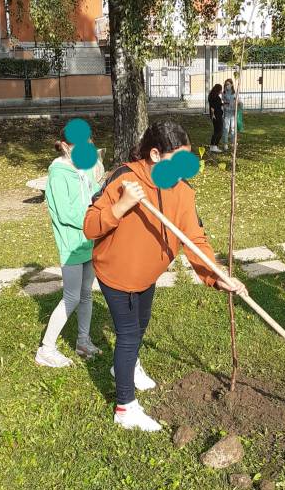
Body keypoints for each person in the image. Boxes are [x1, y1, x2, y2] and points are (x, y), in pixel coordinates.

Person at [83, 121, 246, 432]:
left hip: (148, 274)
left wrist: (214, 274)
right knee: (128, 334)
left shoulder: (183, 191)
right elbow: (90, 226)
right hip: (115, 272)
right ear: (155, 155)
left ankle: (126, 367)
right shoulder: (124, 179)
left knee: (140, 327)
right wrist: (121, 206)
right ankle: (125, 407)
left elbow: (194, 239)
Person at [35, 128, 102, 367]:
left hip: (89, 241)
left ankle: (83, 341)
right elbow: (65, 213)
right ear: (65, 146)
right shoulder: (58, 174)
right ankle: (46, 348)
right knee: (71, 297)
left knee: (86, 293)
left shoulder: (84, 170)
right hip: (71, 244)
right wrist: (95, 220)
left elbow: (97, 196)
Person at [221, 78, 242, 151]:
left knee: (233, 128)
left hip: (233, 113)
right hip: (227, 113)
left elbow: (239, 101)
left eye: (228, 84)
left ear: (232, 84)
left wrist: (239, 103)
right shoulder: (223, 93)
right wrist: (225, 105)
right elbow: (223, 102)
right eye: (226, 84)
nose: (227, 86)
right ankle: (225, 144)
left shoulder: (234, 93)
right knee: (226, 128)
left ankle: (233, 142)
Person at [208, 83, 223, 153]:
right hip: (216, 116)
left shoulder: (213, 96)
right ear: (218, 89)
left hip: (216, 115)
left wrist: (223, 104)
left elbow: (217, 104)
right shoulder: (215, 97)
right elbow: (213, 107)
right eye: (221, 89)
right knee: (219, 131)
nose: (221, 91)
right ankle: (214, 146)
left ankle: (212, 146)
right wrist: (213, 115)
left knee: (216, 131)